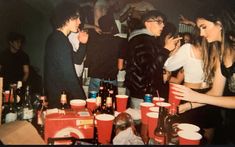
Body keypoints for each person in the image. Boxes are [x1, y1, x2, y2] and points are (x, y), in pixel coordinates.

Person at [172, 6, 235, 144]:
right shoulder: (222, 52)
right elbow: (216, 92)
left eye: (204, 27)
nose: (200, 33)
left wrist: (196, 96)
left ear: (220, 24)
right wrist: (188, 105)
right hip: (230, 125)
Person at [125, 10, 181, 110]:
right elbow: (149, 70)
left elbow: (154, 64)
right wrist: (166, 50)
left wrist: (171, 52)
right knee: (144, 123)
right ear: (147, 23)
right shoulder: (142, 40)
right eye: (159, 22)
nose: (163, 25)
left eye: (163, 22)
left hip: (143, 92)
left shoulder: (147, 39)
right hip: (143, 95)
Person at [44, 1, 88, 108]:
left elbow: (77, 59)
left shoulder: (57, 38)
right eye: (76, 18)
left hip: (57, 95)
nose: (79, 21)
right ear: (66, 18)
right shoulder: (60, 41)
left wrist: (82, 44)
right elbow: (70, 77)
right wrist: (83, 102)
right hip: (60, 99)